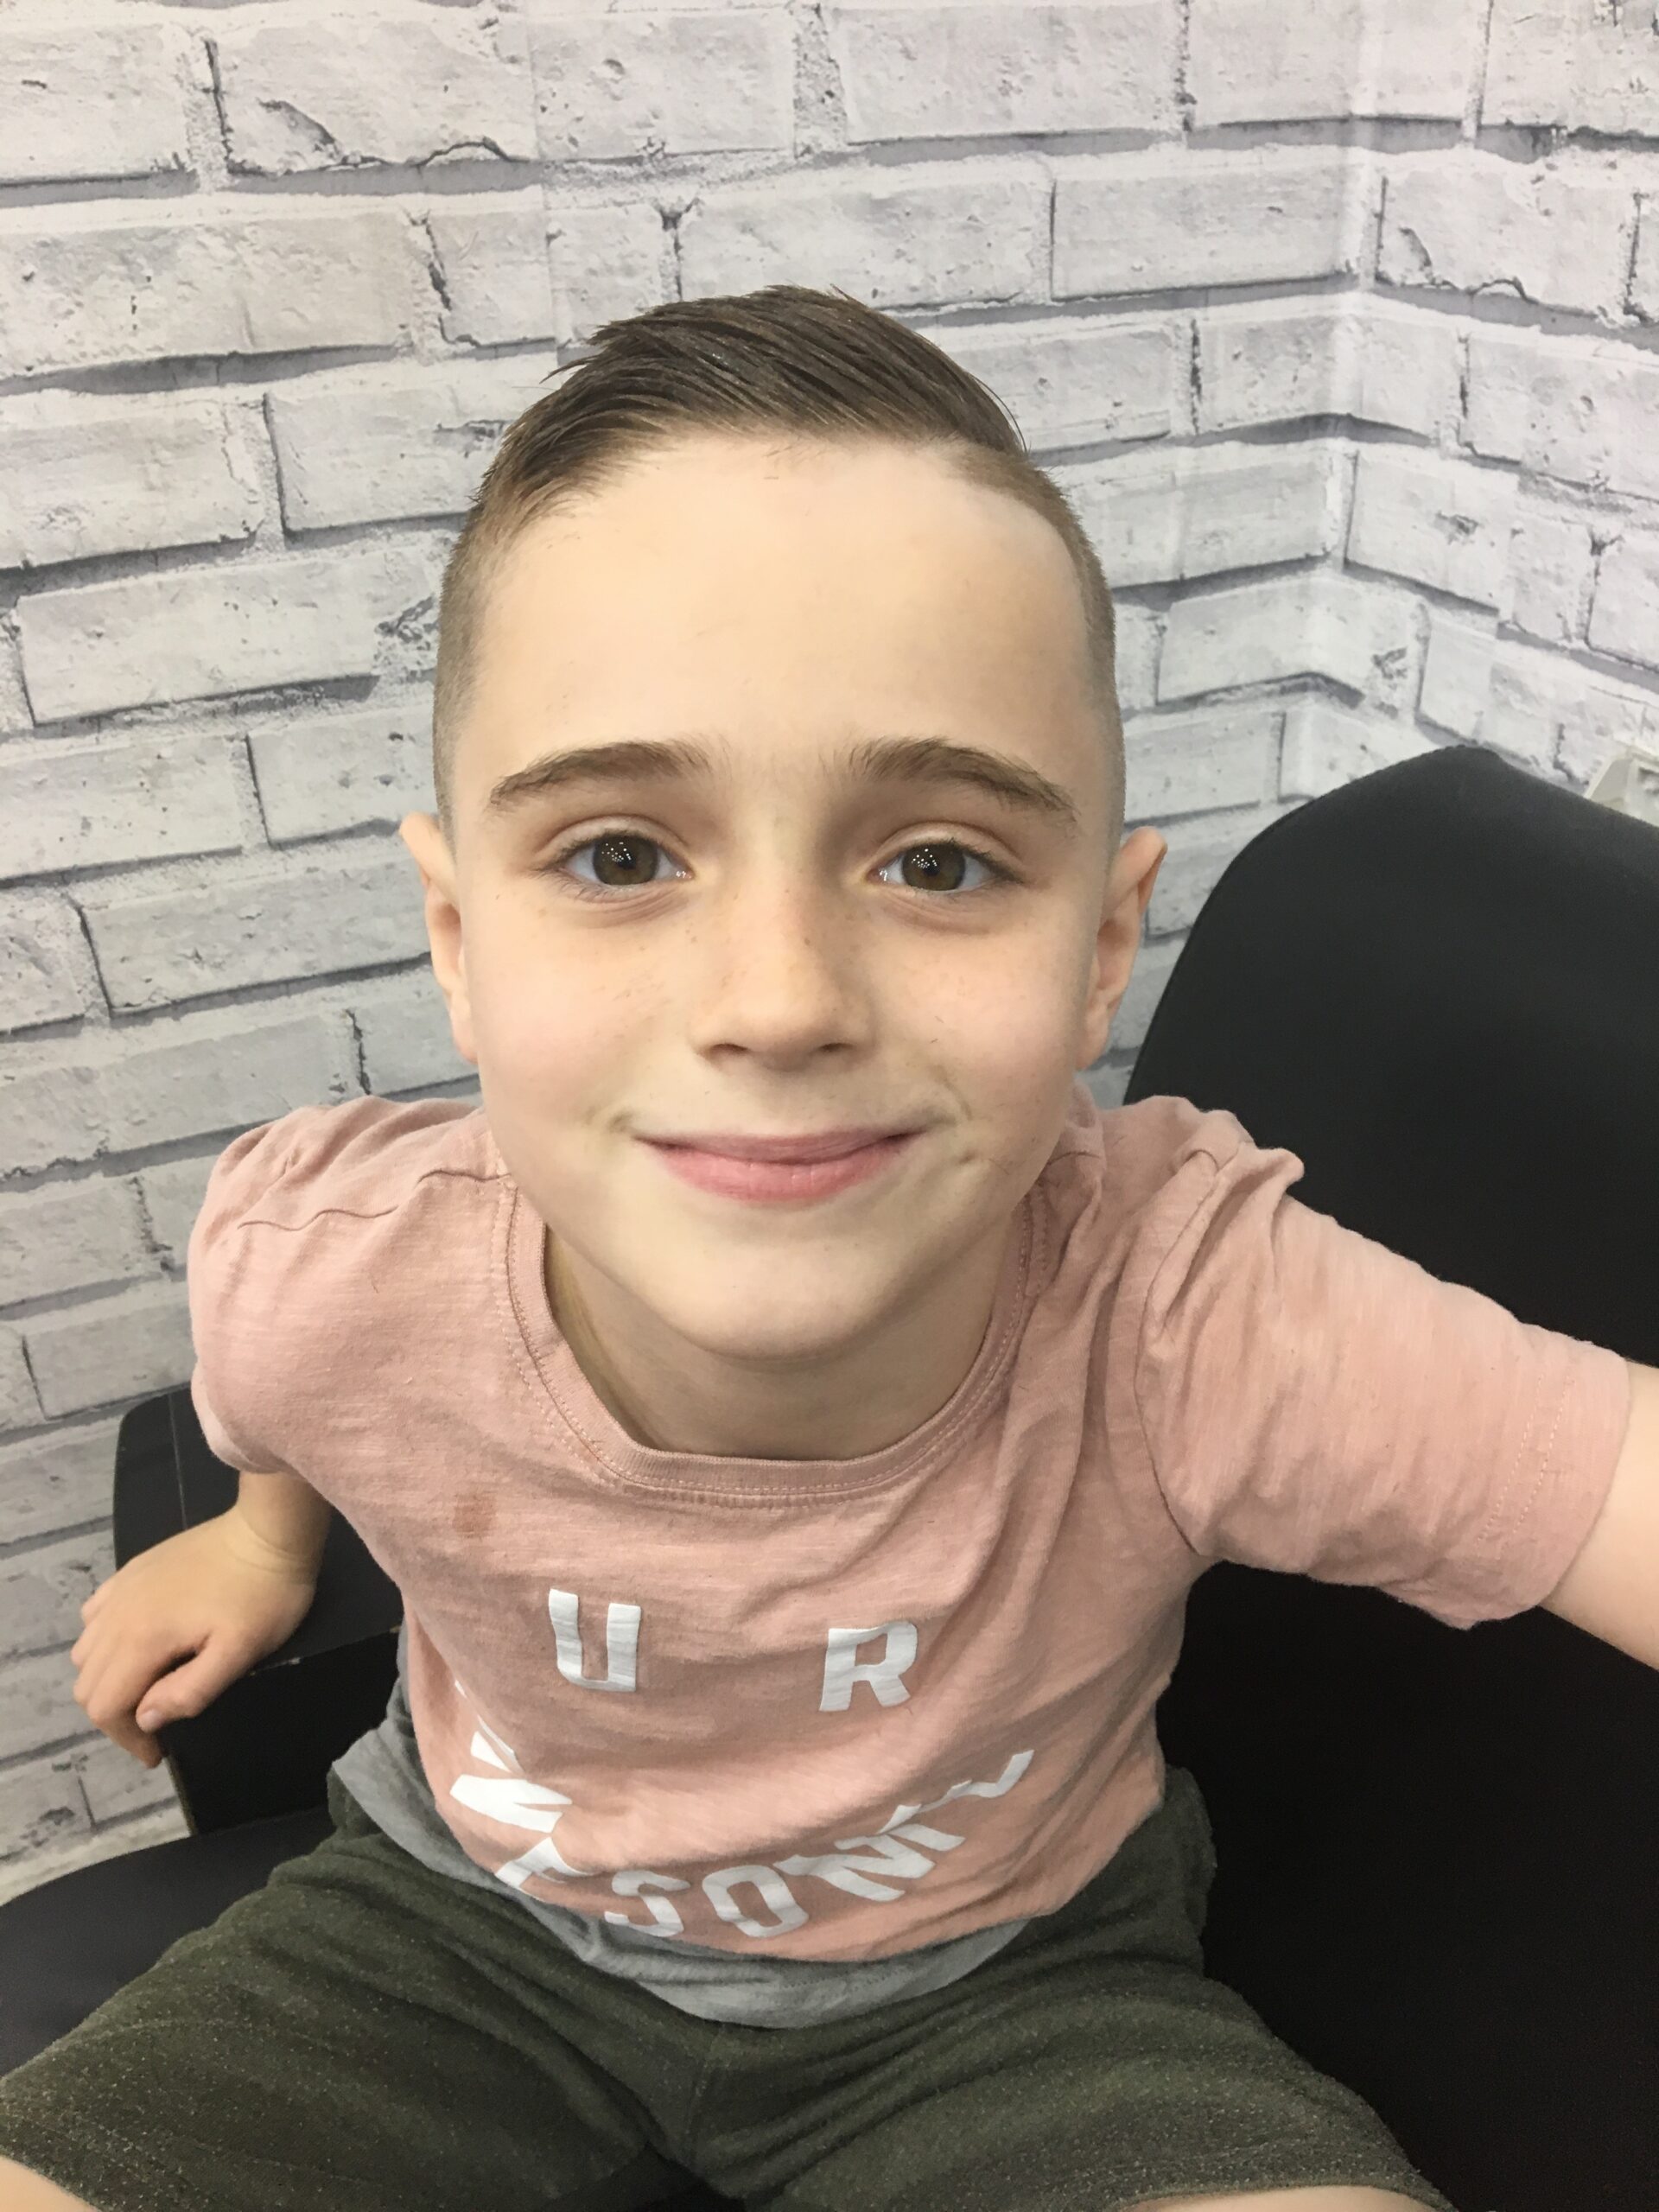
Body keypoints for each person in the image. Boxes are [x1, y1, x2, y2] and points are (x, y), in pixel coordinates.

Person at [0, 284, 1642, 2212]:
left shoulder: (1186, 1309)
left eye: (938, 862)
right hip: (453, 1937)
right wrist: (263, 1540)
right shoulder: (329, 1257)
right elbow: (275, 1380)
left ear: (1101, 946)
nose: (777, 1002)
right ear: (458, 938)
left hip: (1008, 1991)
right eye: (621, 855)